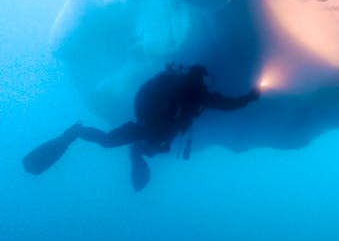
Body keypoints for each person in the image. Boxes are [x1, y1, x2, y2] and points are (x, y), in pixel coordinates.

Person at [23, 63, 259, 190]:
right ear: (201, 79)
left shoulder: (176, 82)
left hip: (144, 124)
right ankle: (131, 150)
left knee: (110, 141)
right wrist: (249, 98)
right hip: (151, 128)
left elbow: (144, 93)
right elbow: (226, 104)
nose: (206, 85)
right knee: (147, 147)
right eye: (205, 81)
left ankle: (76, 133)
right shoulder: (196, 93)